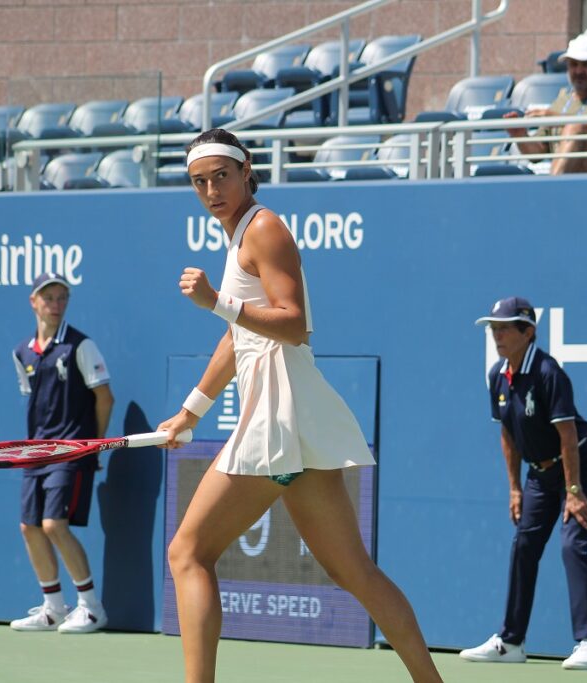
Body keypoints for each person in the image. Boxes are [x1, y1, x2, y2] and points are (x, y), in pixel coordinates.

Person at [156, 128, 443, 683]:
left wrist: (218, 301)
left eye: (221, 176)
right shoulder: (241, 231)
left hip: (279, 415)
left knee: (186, 553)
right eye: (200, 182)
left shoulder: (263, 228)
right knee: (354, 571)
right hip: (296, 419)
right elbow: (238, 340)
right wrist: (192, 409)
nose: (212, 189)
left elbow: (294, 324)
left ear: (246, 173)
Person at [460, 297, 587, 669]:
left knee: (573, 544)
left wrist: (574, 491)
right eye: (494, 328)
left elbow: (568, 434)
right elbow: (509, 436)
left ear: (528, 332)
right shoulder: (497, 375)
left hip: (578, 465)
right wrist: (514, 487)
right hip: (539, 475)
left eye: (505, 327)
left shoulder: (548, 373)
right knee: (524, 544)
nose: (497, 334)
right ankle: (511, 642)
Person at [9, 272, 115, 633]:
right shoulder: (21, 352)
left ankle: (91, 607)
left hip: (71, 451)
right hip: (36, 452)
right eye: (49, 298)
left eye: (62, 298)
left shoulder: (80, 346)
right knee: (31, 528)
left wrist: (93, 446)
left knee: (55, 524)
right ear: (34, 302)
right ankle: (53, 607)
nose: (56, 305)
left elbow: (105, 397)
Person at [506, 32, 587, 174]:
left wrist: (557, 118)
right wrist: (520, 136)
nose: (578, 71)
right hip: (571, 180)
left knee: (575, 130)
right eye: (573, 64)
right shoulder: (561, 101)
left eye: (586, 64)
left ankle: (552, 189)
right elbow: (537, 153)